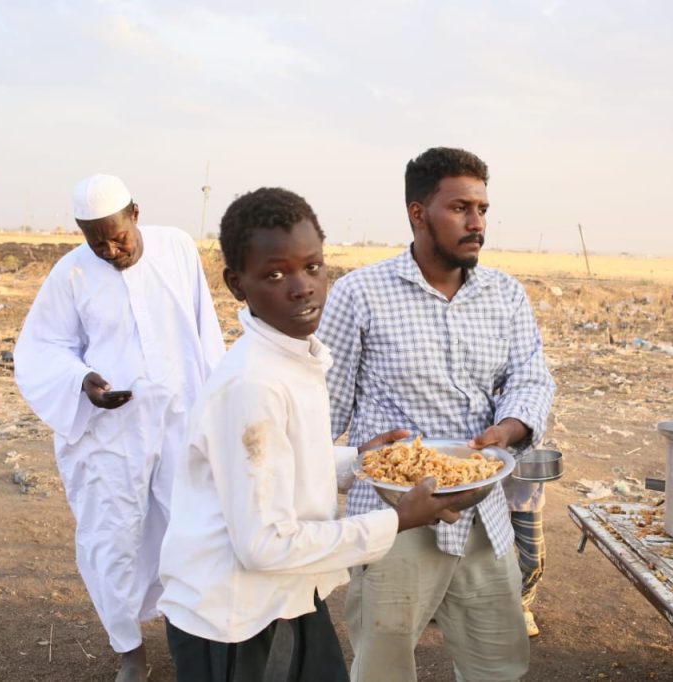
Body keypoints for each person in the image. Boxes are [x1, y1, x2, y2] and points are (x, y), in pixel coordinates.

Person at [157, 187, 475, 682]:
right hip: (236, 616)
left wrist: (357, 462)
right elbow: (263, 545)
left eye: (314, 266)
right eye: (276, 274)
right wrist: (395, 523)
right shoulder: (253, 383)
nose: (303, 287)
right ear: (237, 284)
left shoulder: (292, 354)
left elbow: (282, 464)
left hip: (289, 596)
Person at [318, 147, 556, 681]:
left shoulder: (505, 295)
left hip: (483, 512)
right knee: (384, 668)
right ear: (418, 213)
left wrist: (510, 428)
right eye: (461, 208)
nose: (477, 223)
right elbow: (323, 412)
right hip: (394, 523)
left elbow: (531, 376)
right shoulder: (361, 294)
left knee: (499, 664)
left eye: (484, 209)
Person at [14, 174, 225, 682]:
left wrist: (219, 403)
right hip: (110, 434)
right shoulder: (71, 274)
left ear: (135, 212)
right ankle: (129, 649)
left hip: (180, 419)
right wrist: (83, 381)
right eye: (96, 241)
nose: (110, 249)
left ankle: (194, 634)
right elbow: (41, 347)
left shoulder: (176, 247)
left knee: (192, 527)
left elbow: (205, 328)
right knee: (112, 538)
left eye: (118, 237)